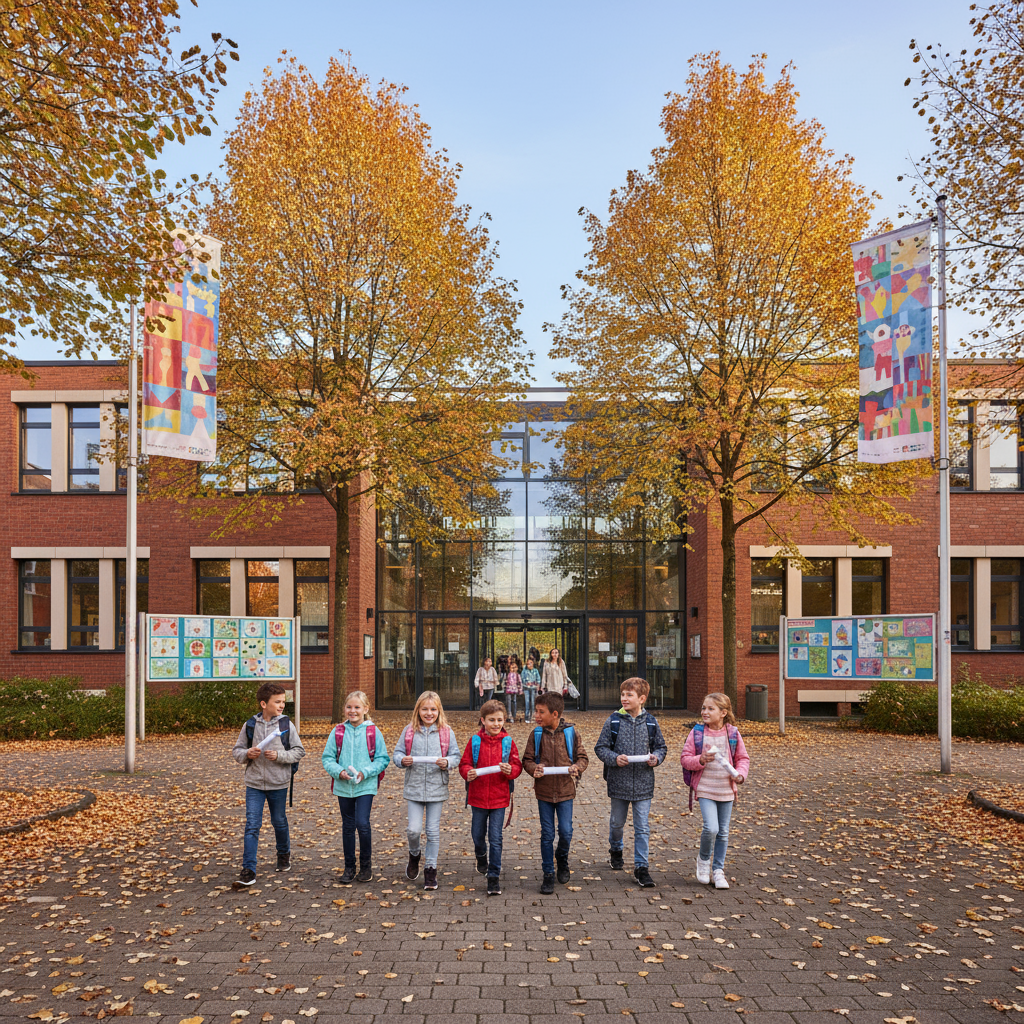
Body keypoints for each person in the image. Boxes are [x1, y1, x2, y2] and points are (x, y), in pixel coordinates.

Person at [593, 677, 668, 888]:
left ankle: (641, 867)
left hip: (644, 784)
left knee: (642, 827)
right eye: (622, 694)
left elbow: (661, 748)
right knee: (617, 823)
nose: (624, 698)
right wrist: (614, 759)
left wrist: (657, 759)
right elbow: (601, 748)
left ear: (641, 698)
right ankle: (616, 849)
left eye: (629, 695)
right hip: (619, 782)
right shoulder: (614, 721)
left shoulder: (651, 722)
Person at [232, 681, 306, 886]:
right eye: (278, 702)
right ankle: (248, 870)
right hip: (254, 784)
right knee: (252, 826)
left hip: (279, 783)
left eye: (283, 701)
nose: (282, 705)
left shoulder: (285, 725)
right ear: (264, 704)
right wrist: (247, 753)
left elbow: (299, 751)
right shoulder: (250, 725)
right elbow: (237, 751)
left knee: (279, 822)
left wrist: (280, 756)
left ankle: (283, 854)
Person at [680, 692, 751, 890]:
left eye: (711, 708)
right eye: (704, 708)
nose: (705, 712)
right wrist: (700, 760)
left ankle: (718, 870)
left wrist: (740, 775)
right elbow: (685, 758)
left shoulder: (733, 733)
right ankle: (703, 861)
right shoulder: (697, 733)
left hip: (726, 789)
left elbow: (743, 759)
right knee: (711, 828)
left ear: (723, 713)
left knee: (723, 832)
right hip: (705, 787)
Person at [521, 691, 589, 895]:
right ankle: (548, 873)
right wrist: (534, 769)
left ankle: (562, 858)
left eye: (541, 712)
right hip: (544, 792)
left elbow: (582, 757)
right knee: (547, 834)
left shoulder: (571, 733)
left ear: (555, 713)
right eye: (536, 711)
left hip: (566, 792)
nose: (537, 716)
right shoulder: (536, 734)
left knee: (566, 832)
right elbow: (527, 759)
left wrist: (578, 767)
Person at [393, 690, 461, 891]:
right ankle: (414, 854)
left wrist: (447, 762)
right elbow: (397, 754)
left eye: (433, 709)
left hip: (436, 787)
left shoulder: (446, 732)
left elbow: (455, 756)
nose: (429, 713)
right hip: (414, 787)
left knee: (432, 831)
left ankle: (431, 869)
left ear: (439, 711)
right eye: (425, 709)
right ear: (418, 710)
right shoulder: (409, 731)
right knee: (413, 830)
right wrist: (401, 760)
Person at [321, 690, 390, 883]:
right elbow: (327, 758)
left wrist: (365, 772)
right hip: (344, 787)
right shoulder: (337, 731)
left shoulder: (373, 732)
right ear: (344, 709)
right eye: (349, 707)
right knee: (348, 826)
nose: (353, 711)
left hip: (365, 785)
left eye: (357, 707)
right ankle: (349, 867)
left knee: (362, 823)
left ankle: (366, 866)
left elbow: (383, 759)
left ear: (365, 709)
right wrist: (339, 772)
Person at [459, 699, 522, 896]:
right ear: (483, 720)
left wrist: (510, 770)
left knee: (496, 838)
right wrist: (467, 772)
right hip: (477, 798)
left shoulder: (508, 742)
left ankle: (493, 876)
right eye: (491, 720)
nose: (496, 724)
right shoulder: (474, 741)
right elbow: (465, 764)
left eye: (500, 720)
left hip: (499, 798)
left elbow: (517, 766)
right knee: (477, 835)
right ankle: (481, 856)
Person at [521, 655, 541, 724]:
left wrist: (537, 685)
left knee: (533, 702)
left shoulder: (535, 671)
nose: (529, 665)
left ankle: (533, 716)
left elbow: (538, 679)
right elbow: (522, 679)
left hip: (533, 688)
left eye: (531, 663)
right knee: (527, 702)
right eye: (528, 664)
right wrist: (526, 683)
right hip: (526, 688)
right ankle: (527, 716)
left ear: (533, 663)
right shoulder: (524, 671)